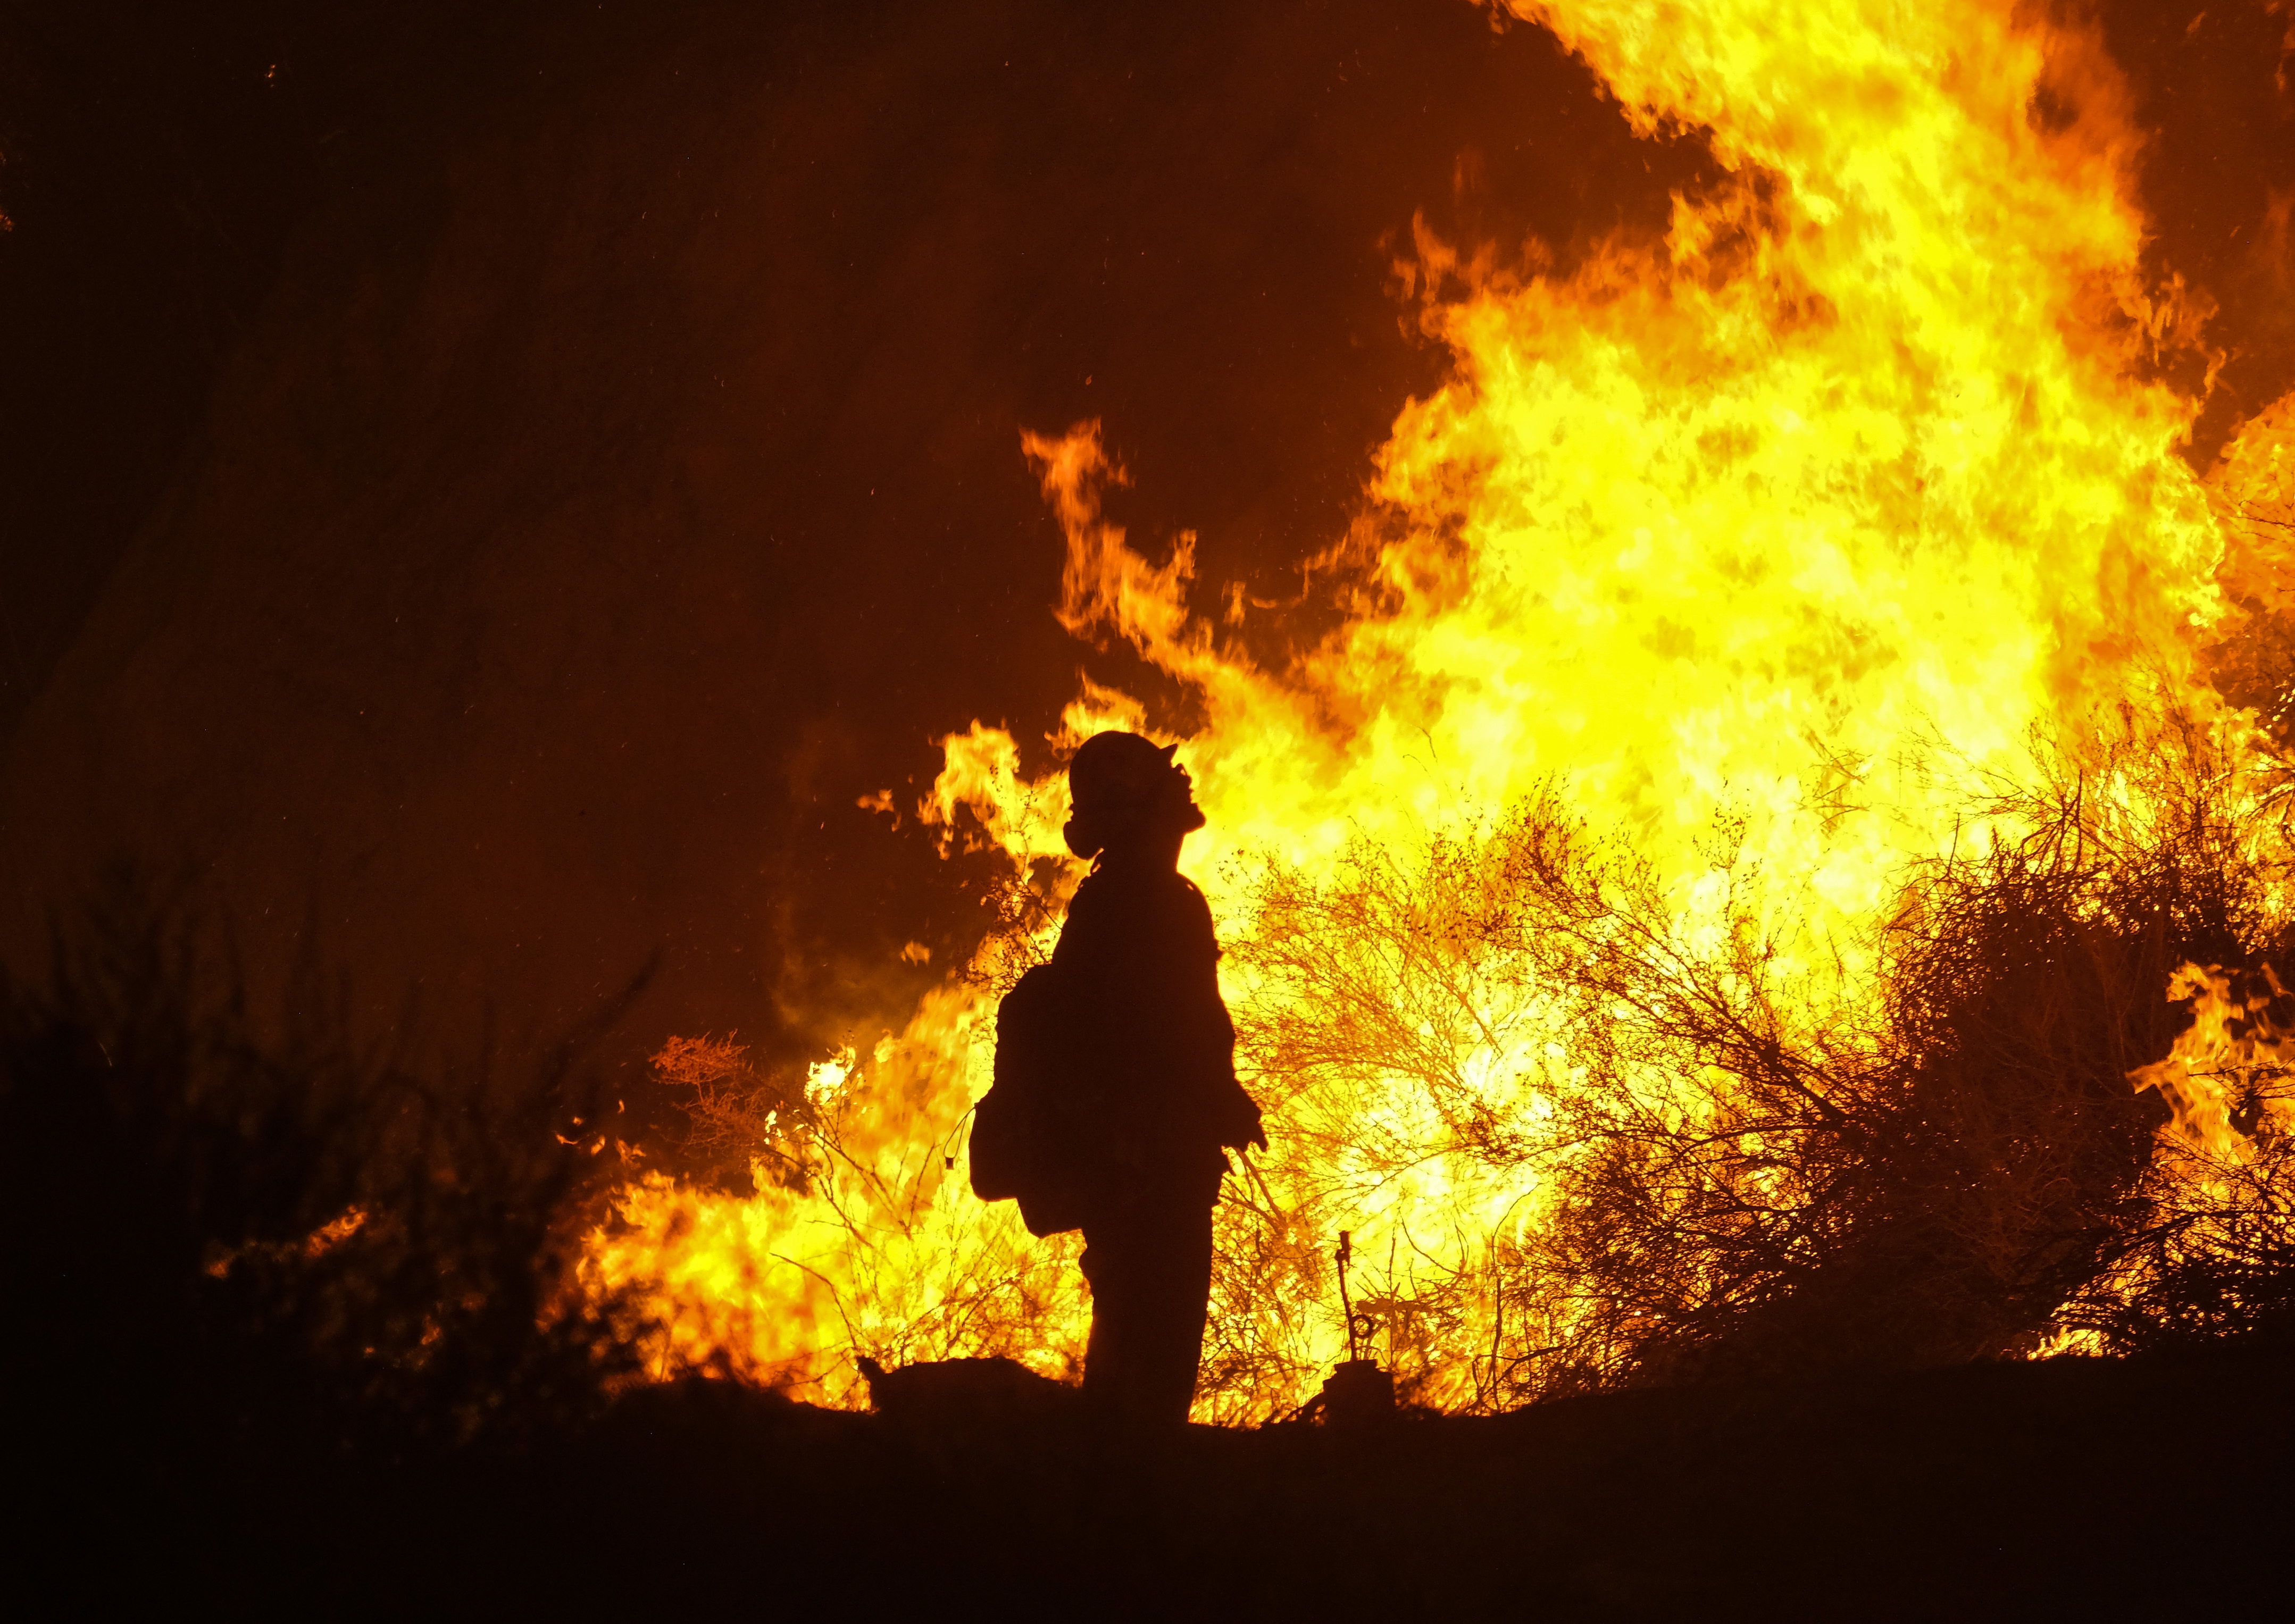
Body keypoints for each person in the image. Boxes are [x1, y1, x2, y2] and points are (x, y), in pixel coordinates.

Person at [1052, 730, 1264, 1424]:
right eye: (1166, 787)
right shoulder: (1142, 905)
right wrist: (1216, 1101)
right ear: (1137, 811)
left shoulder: (1133, 899)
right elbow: (1158, 1033)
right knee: (1148, 1350)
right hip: (1144, 1165)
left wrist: (1222, 1101)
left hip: (1147, 1160)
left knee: (1141, 1343)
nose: (1184, 792)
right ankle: (1126, 1478)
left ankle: (1122, 1467)